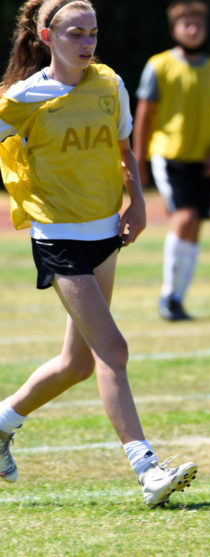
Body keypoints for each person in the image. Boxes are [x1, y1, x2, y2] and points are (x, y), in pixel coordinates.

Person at [0, 0, 196, 507]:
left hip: (105, 231)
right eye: (74, 34)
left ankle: (2, 423)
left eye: (92, 33)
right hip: (58, 238)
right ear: (47, 36)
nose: (86, 43)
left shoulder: (110, 84)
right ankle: (147, 469)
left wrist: (137, 201)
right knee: (114, 349)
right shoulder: (24, 97)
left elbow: (124, 148)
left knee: (77, 364)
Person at [133, 0, 210, 320]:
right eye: (186, 24)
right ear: (174, 29)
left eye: (198, 24)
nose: (192, 29)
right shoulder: (159, 65)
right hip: (169, 154)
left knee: (195, 226)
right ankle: (167, 296)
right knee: (185, 217)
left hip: (202, 158)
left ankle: (177, 298)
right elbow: (144, 114)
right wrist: (139, 159)